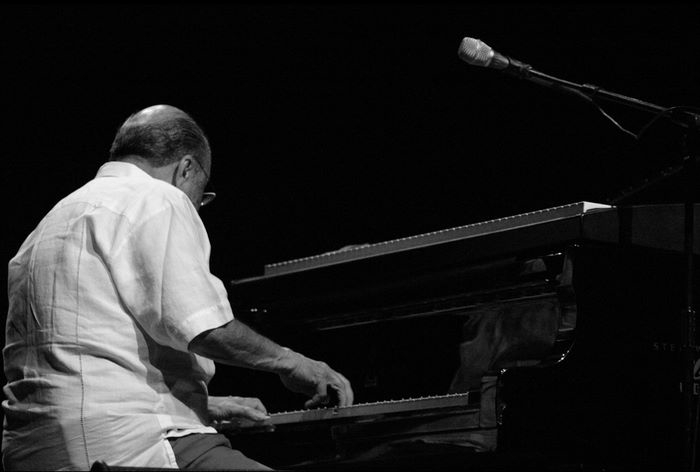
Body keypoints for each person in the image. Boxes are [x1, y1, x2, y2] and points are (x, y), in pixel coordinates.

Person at [2, 104, 354, 471]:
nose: (198, 207)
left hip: (31, 452)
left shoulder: (49, 224)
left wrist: (206, 405)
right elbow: (203, 327)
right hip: (131, 446)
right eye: (202, 196)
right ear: (186, 168)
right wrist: (293, 362)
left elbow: (76, 359)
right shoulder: (157, 197)